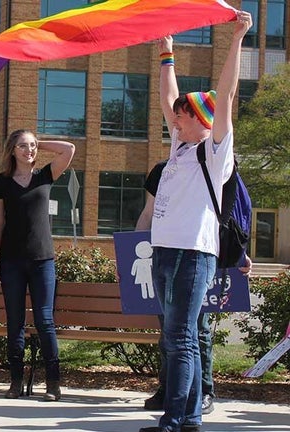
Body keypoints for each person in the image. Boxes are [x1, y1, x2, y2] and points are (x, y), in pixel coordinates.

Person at [139, 12, 252, 432]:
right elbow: (167, 96)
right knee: (176, 336)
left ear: (201, 122)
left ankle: (174, 419)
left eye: (182, 114)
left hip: (193, 254)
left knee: (181, 338)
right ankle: (187, 419)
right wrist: (166, 51)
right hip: (166, 251)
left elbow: (225, 95)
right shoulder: (179, 151)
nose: (174, 116)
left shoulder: (214, 151)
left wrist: (238, 37)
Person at [136, 161, 252, 416]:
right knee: (169, 330)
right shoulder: (162, 170)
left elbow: (231, 215)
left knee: (197, 331)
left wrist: (240, 255)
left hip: (198, 258)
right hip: (165, 257)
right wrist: (131, 251)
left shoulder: (212, 165)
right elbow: (149, 212)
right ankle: (168, 388)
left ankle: (204, 391)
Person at [0, 130, 75, 401]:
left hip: (42, 260)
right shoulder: (1, 182)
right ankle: (15, 382)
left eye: (32, 146)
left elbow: (69, 149)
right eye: (23, 146)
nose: (29, 150)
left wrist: (39, 139)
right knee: (15, 321)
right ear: (12, 150)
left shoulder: (44, 175)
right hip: (12, 260)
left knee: (44, 320)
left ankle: (53, 383)